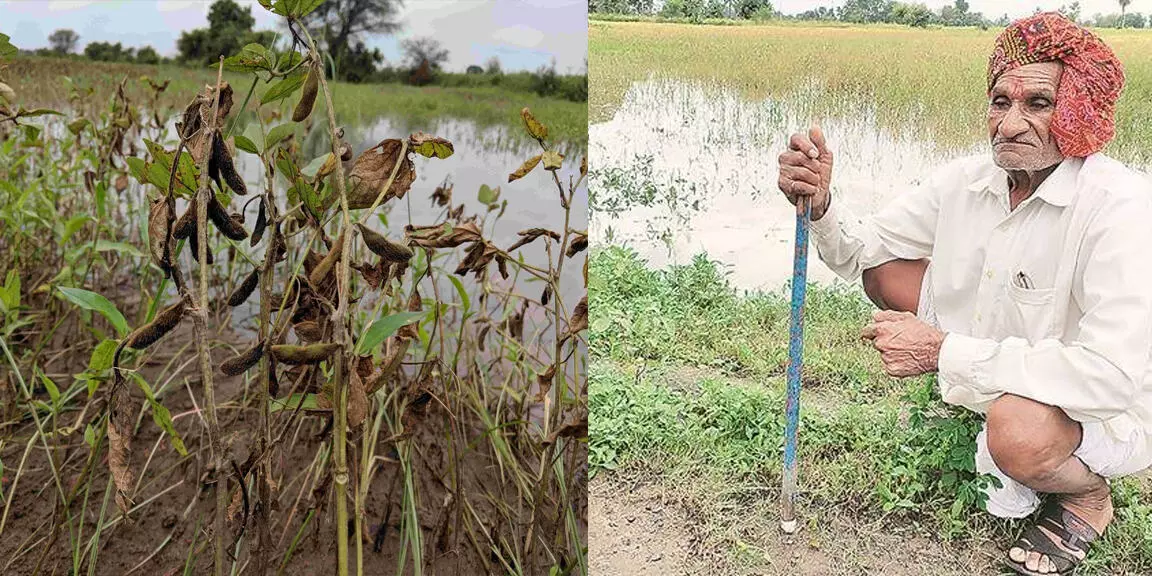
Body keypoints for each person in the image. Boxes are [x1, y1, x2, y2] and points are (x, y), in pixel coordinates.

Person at [776, 12, 1152, 576]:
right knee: (884, 270)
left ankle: (1085, 497)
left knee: (1017, 430)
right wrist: (823, 202)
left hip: (1101, 405)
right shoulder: (964, 181)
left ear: (1080, 111)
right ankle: (986, 404)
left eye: (1038, 104)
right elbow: (860, 250)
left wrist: (941, 350)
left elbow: (1110, 377)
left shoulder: (1119, 207)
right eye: (1000, 102)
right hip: (1004, 360)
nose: (1009, 125)